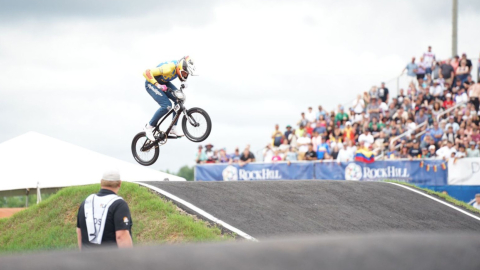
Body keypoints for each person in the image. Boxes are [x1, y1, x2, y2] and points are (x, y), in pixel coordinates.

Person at [143, 56, 197, 141]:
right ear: (180, 68)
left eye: (186, 75)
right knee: (167, 106)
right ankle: (149, 127)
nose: (185, 76)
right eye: (184, 73)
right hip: (151, 84)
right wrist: (157, 85)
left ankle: (173, 128)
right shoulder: (168, 68)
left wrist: (183, 82)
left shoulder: (179, 67)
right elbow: (146, 72)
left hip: (164, 82)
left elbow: (183, 66)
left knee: (179, 99)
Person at [76, 170, 133, 250]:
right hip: (110, 260)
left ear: (101, 182)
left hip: (86, 259)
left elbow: (79, 231)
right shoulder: (119, 204)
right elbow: (121, 236)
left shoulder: (86, 202)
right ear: (120, 183)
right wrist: (130, 259)